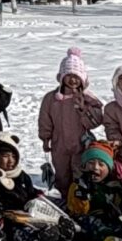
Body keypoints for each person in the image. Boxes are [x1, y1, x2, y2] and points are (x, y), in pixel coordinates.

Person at [36, 51, 101, 190]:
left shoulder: (87, 98)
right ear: (62, 77)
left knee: (81, 172)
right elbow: (45, 120)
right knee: (62, 173)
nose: (72, 80)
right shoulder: (51, 98)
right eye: (69, 76)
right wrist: (45, 138)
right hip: (59, 143)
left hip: (81, 143)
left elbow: (96, 120)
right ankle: (65, 196)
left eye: (76, 77)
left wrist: (84, 109)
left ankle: (80, 199)